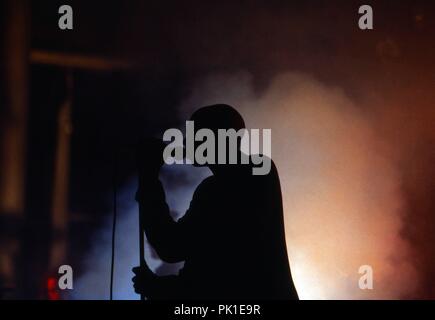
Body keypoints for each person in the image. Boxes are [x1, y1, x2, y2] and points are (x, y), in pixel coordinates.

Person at [132, 104, 299, 299]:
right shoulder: (260, 171)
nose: (187, 142)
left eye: (195, 135)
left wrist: (149, 180)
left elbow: (173, 247)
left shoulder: (224, 186)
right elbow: (218, 266)